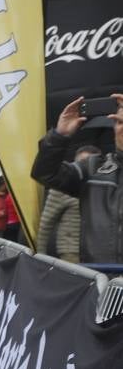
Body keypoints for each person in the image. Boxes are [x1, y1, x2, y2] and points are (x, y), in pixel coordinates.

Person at [32, 95, 123, 265]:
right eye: (119, 123)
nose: (122, 128)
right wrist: (60, 135)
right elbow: (45, 173)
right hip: (101, 278)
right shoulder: (93, 167)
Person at [38, 146, 100, 263]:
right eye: (83, 162)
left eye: (91, 163)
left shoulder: (104, 187)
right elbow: (47, 222)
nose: (86, 166)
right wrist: (40, 254)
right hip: (72, 251)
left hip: (98, 251)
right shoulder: (62, 188)